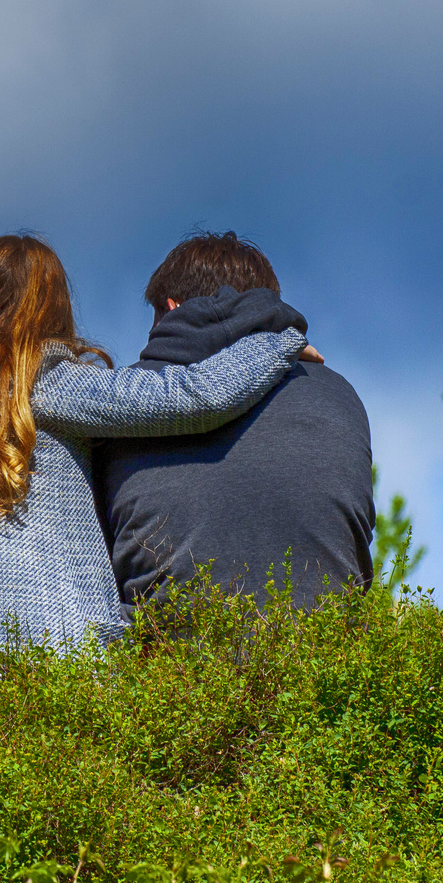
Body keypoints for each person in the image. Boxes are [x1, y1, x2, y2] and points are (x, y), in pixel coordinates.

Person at [0, 233, 317, 652]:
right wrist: (277, 343)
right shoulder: (40, 378)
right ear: (51, 309)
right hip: (40, 664)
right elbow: (193, 396)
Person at [94, 231, 375, 615]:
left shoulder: (121, 404)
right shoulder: (339, 395)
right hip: (324, 661)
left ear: (172, 309)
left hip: (165, 668)